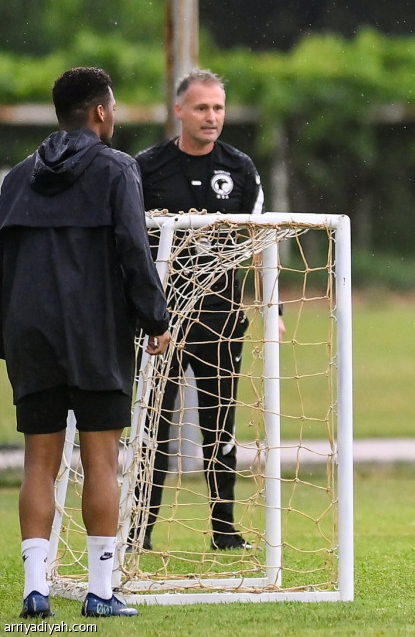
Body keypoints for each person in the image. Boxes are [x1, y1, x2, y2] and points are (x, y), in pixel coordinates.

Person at [0, 67, 171, 619]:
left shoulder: (18, 178)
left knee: (38, 464)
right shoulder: (118, 169)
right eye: (113, 107)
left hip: (30, 334)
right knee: (101, 461)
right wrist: (155, 319)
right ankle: (100, 592)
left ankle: (35, 590)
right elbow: (132, 250)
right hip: (96, 333)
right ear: (100, 112)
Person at [134, 70, 264, 551]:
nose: (212, 117)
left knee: (219, 425)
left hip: (221, 317)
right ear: (180, 111)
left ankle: (225, 531)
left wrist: (262, 302)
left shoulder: (241, 169)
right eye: (202, 108)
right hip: (161, 323)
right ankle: (139, 531)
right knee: (155, 428)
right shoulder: (146, 169)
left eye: (218, 108)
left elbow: (254, 243)